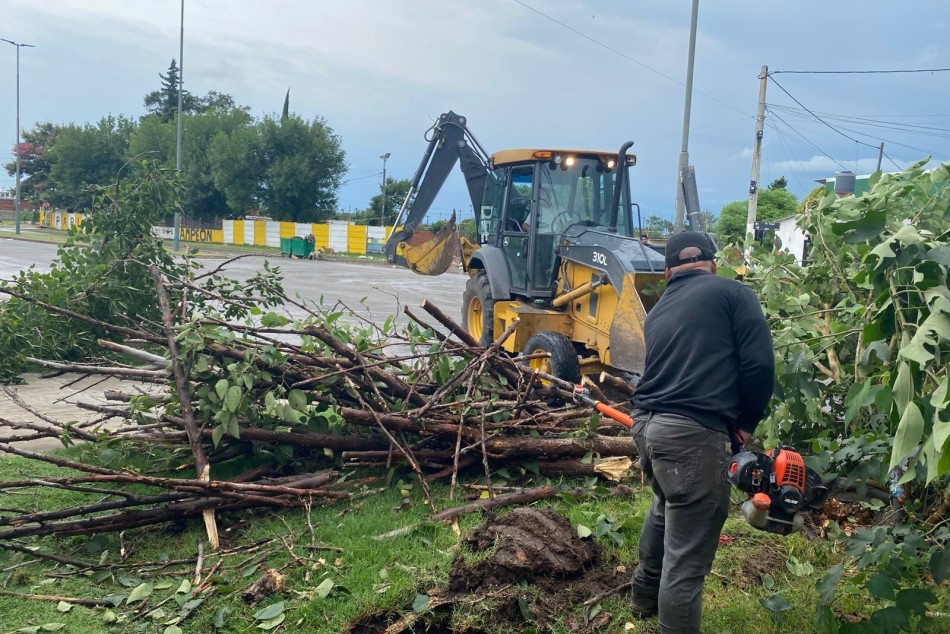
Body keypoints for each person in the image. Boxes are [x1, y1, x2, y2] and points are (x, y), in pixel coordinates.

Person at [628, 231, 774, 633]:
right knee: (687, 557)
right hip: (690, 433)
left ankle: (642, 596)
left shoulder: (657, 312)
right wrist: (746, 424)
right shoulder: (733, 293)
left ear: (669, 270)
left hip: (646, 425)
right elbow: (759, 365)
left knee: (666, 503)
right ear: (712, 263)